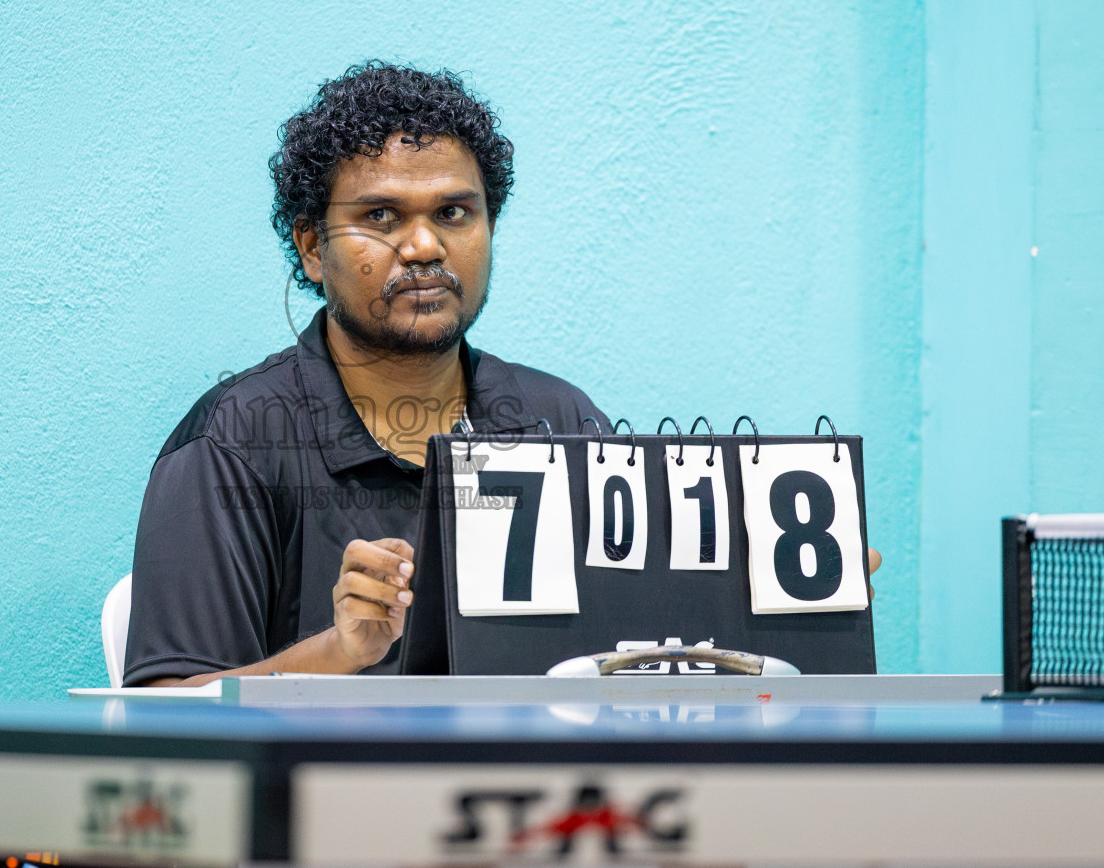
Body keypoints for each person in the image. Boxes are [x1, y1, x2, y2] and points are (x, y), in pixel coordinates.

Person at [122, 61, 880, 687]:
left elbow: (628, 664)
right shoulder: (233, 441)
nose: (424, 246)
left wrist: (775, 611)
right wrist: (340, 653)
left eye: (455, 213)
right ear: (313, 248)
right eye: (381, 217)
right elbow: (161, 715)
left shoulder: (560, 419)